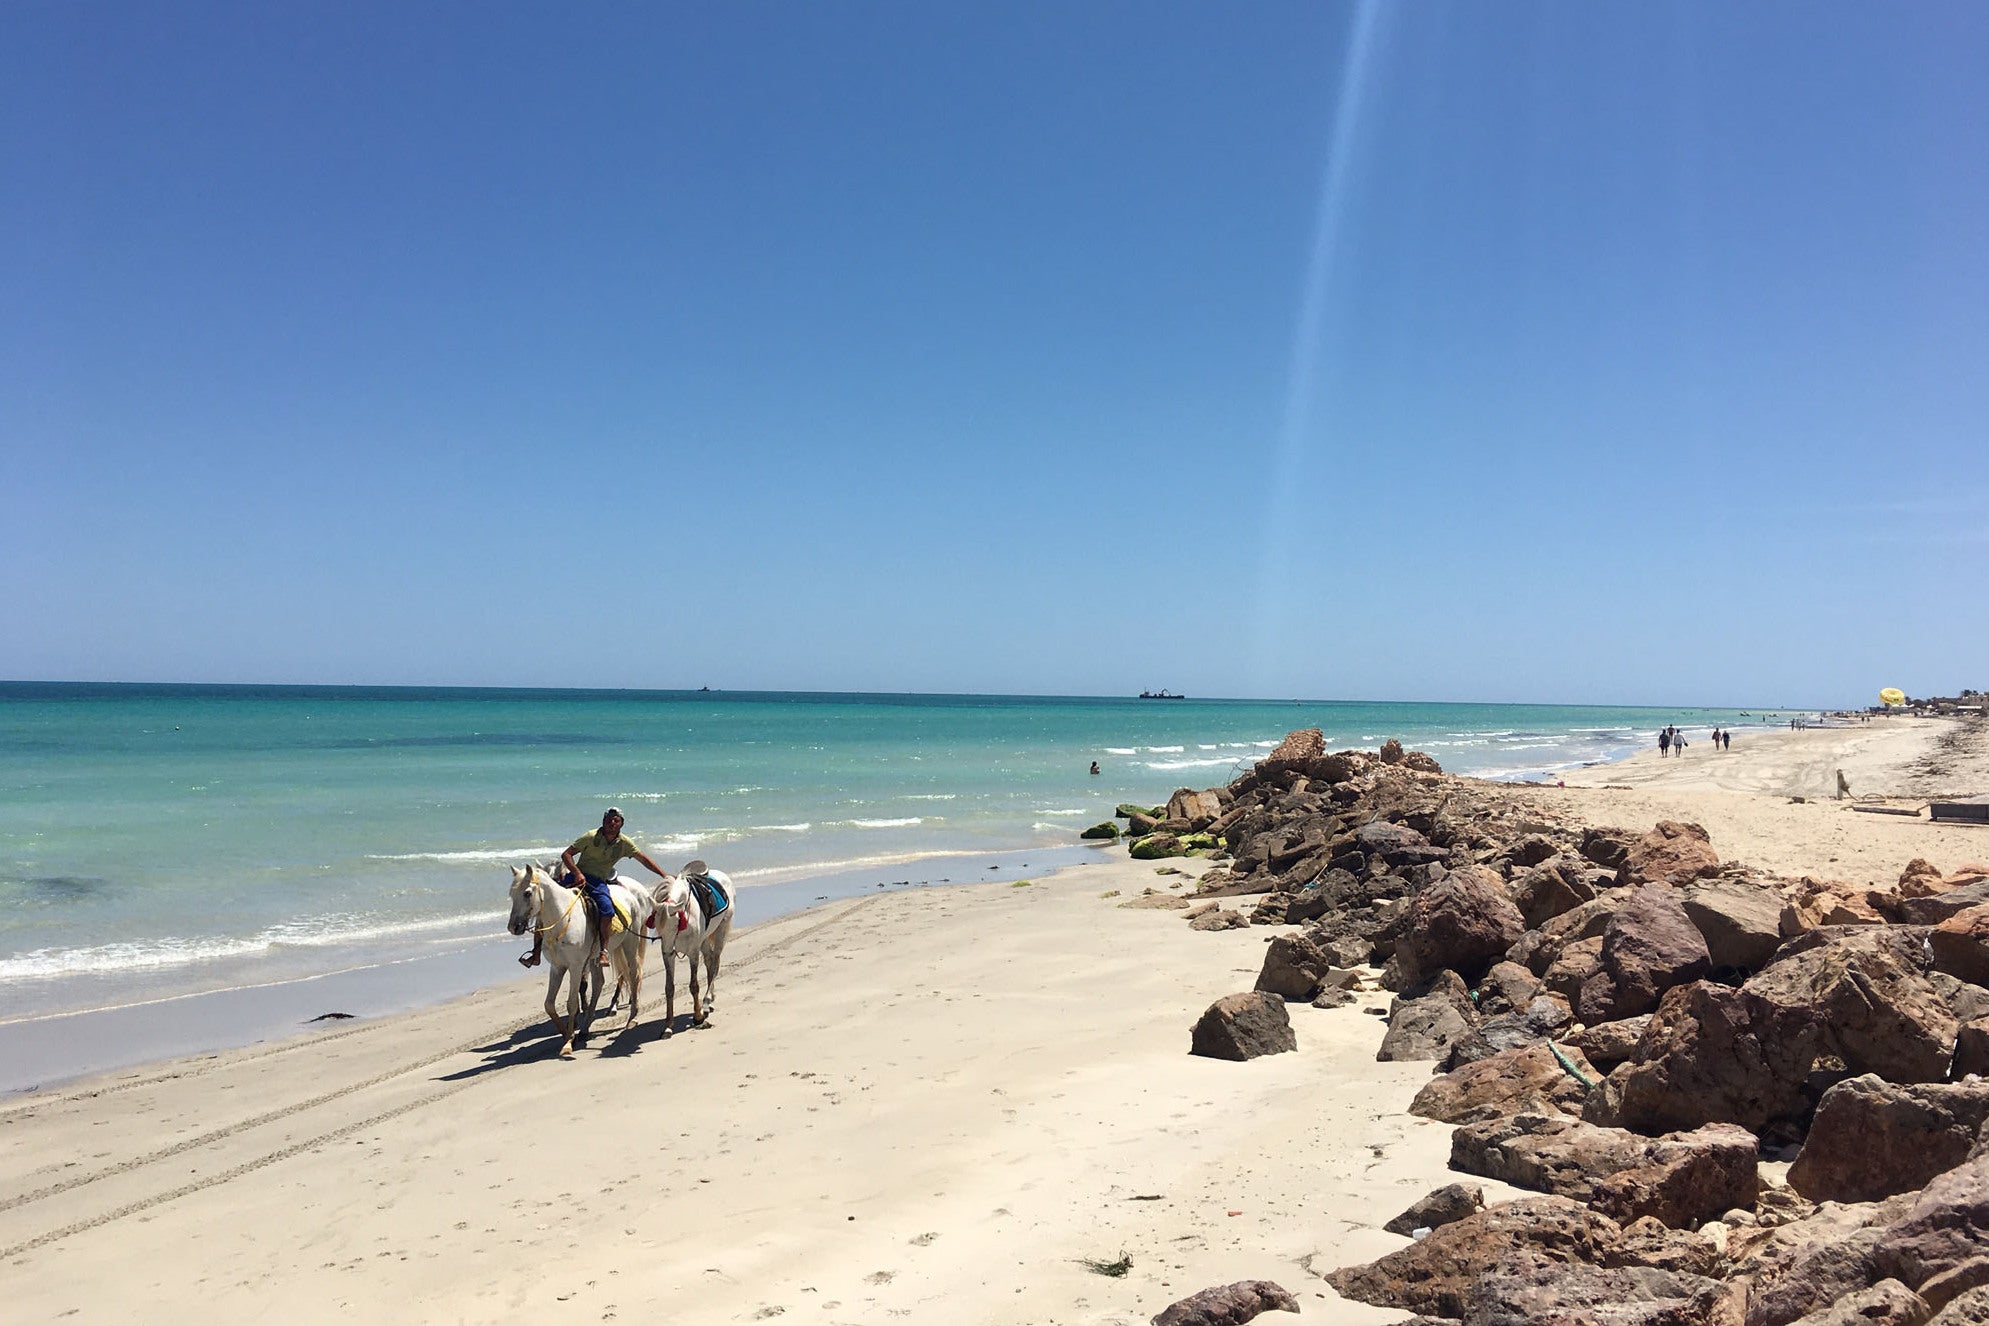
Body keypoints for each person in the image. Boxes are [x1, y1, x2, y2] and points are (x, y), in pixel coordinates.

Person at [521, 807, 672, 969]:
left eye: (616, 820)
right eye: (608, 819)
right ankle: (536, 953)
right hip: (576, 876)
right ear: (603, 820)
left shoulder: (624, 844)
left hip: (599, 881)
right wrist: (577, 873)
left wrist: (664, 875)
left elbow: (644, 860)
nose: (611, 823)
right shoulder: (590, 837)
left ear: (621, 824)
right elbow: (566, 854)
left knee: (607, 910)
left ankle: (603, 951)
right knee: (546, 905)